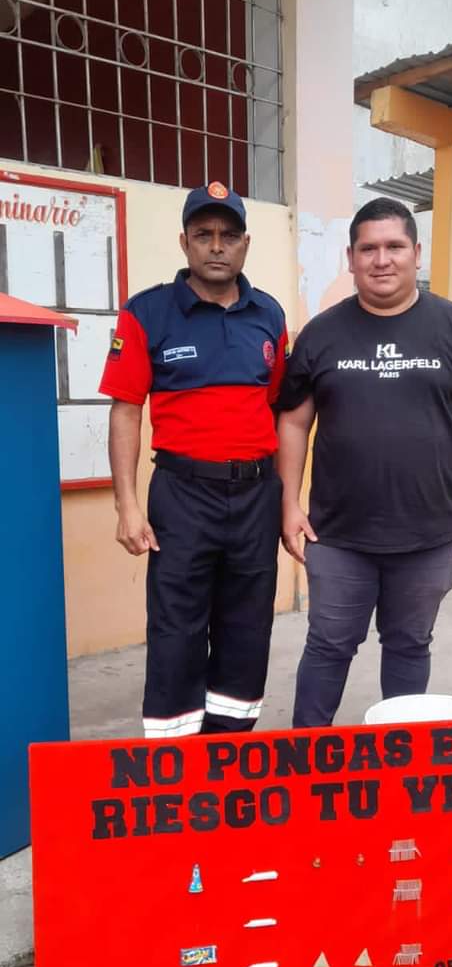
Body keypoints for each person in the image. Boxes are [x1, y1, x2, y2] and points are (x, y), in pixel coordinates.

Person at [277, 196, 452, 729]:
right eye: (369, 249)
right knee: (328, 645)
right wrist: (288, 504)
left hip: (429, 534)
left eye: (394, 246)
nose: (381, 259)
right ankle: (305, 753)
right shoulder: (321, 334)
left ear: (416, 253)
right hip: (337, 536)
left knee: (409, 644)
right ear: (351, 257)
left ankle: (398, 758)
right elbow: (293, 423)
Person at [98, 181, 287, 738]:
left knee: (247, 627)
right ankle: (176, 766)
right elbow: (127, 410)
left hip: (255, 496)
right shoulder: (146, 313)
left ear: (245, 244)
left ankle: (227, 756)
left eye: (228, 235)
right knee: (177, 629)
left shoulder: (269, 316)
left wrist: (285, 498)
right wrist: (126, 505)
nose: (216, 246)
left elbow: (277, 410)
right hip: (182, 496)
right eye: (203, 235)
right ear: (184, 243)